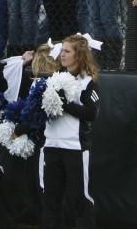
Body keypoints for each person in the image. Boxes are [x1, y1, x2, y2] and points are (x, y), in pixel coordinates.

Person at [37, 34, 100, 229]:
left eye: (67, 51)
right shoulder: (52, 80)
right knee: (50, 201)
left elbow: (91, 113)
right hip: (52, 147)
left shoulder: (88, 83)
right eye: (61, 50)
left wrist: (65, 104)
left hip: (75, 149)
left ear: (79, 55)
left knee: (79, 200)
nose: (62, 55)